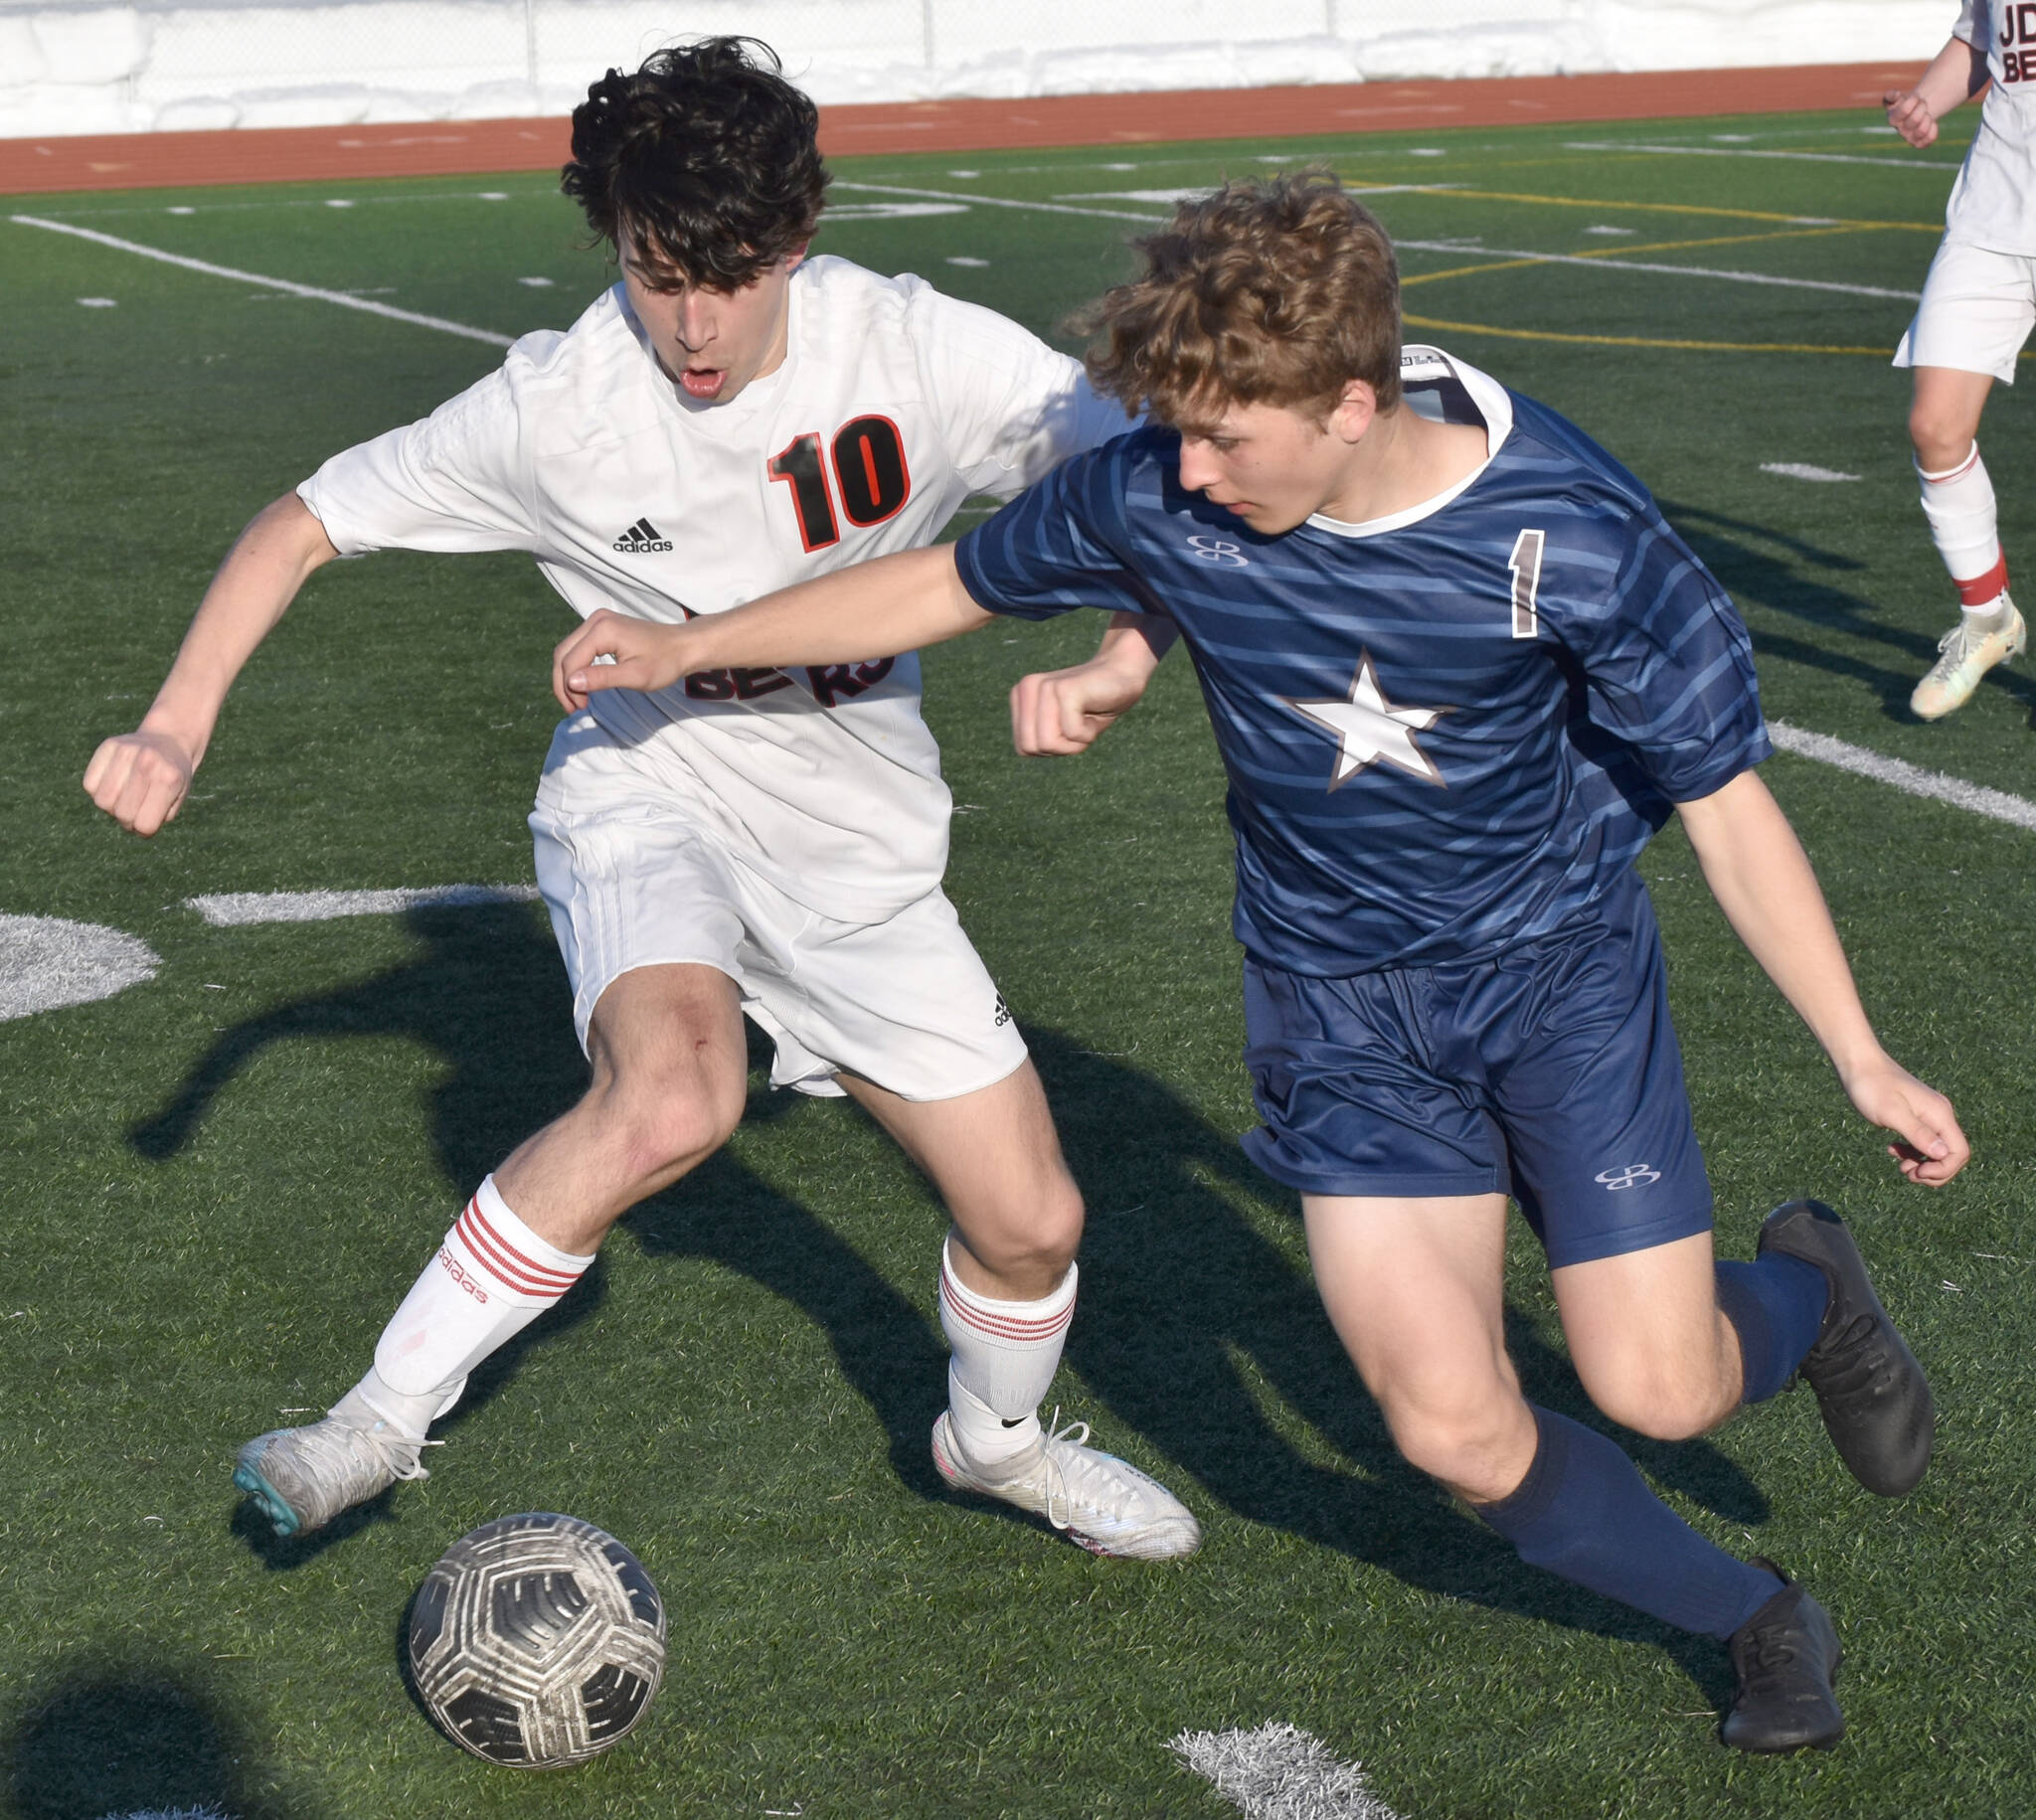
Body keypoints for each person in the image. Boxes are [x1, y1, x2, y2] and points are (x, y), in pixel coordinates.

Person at [550, 173, 1971, 1752]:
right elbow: (951, 581)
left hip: (1558, 977)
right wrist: (690, 643)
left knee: (1658, 1386)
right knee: (1447, 1422)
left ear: (1350, 402)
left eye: (1228, 438)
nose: (1189, 471)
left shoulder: (1574, 533)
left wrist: (1861, 1053)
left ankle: (1810, 1290)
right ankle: (1756, 1611)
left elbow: (1727, 806)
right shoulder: (1174, 478)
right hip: (1340, 1006)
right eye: (1181, 433)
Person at [82, 37, 1200, 1563]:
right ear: (611, 239)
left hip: (857, 835)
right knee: (676, 1092)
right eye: (655, 269)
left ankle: (992, 1448)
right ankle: (371, 1421)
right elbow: (303, 523)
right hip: (645, 788)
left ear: (795, 240)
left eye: (729, 276)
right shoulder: (558, 407)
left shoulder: (924, 351)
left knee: (1033, 1221)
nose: (692, 319)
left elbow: (1151, 487)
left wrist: (1125, 657)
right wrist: (174, 720)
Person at [1886, 7, 2031, 718]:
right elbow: (1984, 37)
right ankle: (1988, 619)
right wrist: (1926, 100)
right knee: (1936, 427)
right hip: (1992, 216)